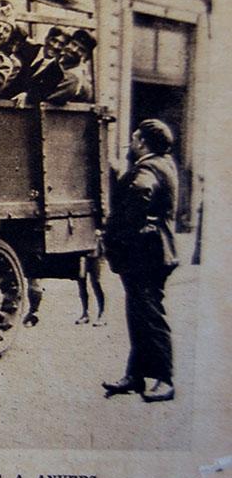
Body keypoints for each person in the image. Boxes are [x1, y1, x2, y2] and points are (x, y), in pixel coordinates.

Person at [102, 119, 180, 403]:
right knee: (139, 313)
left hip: (146, 253)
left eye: (134, 139)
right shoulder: (165, 163)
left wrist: (118, 234)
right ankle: (135, 376)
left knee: (149, 315)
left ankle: (165, 379)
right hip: (155, 251)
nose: (131, 144)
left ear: (143, 143)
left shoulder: (147, 168)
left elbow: (139, 195)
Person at [46, 28, 96, 104]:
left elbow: (43, 96)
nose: (74, 50)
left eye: (81, 50)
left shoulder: (75, 77)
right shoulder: (58, 63)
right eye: (74, 44)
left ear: (86, 58)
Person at [75, 244, 106, 326]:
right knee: (81, 282)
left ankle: (102, 314)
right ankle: (85, 313)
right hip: (81, 254)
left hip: (95, 253)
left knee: (97, 283)